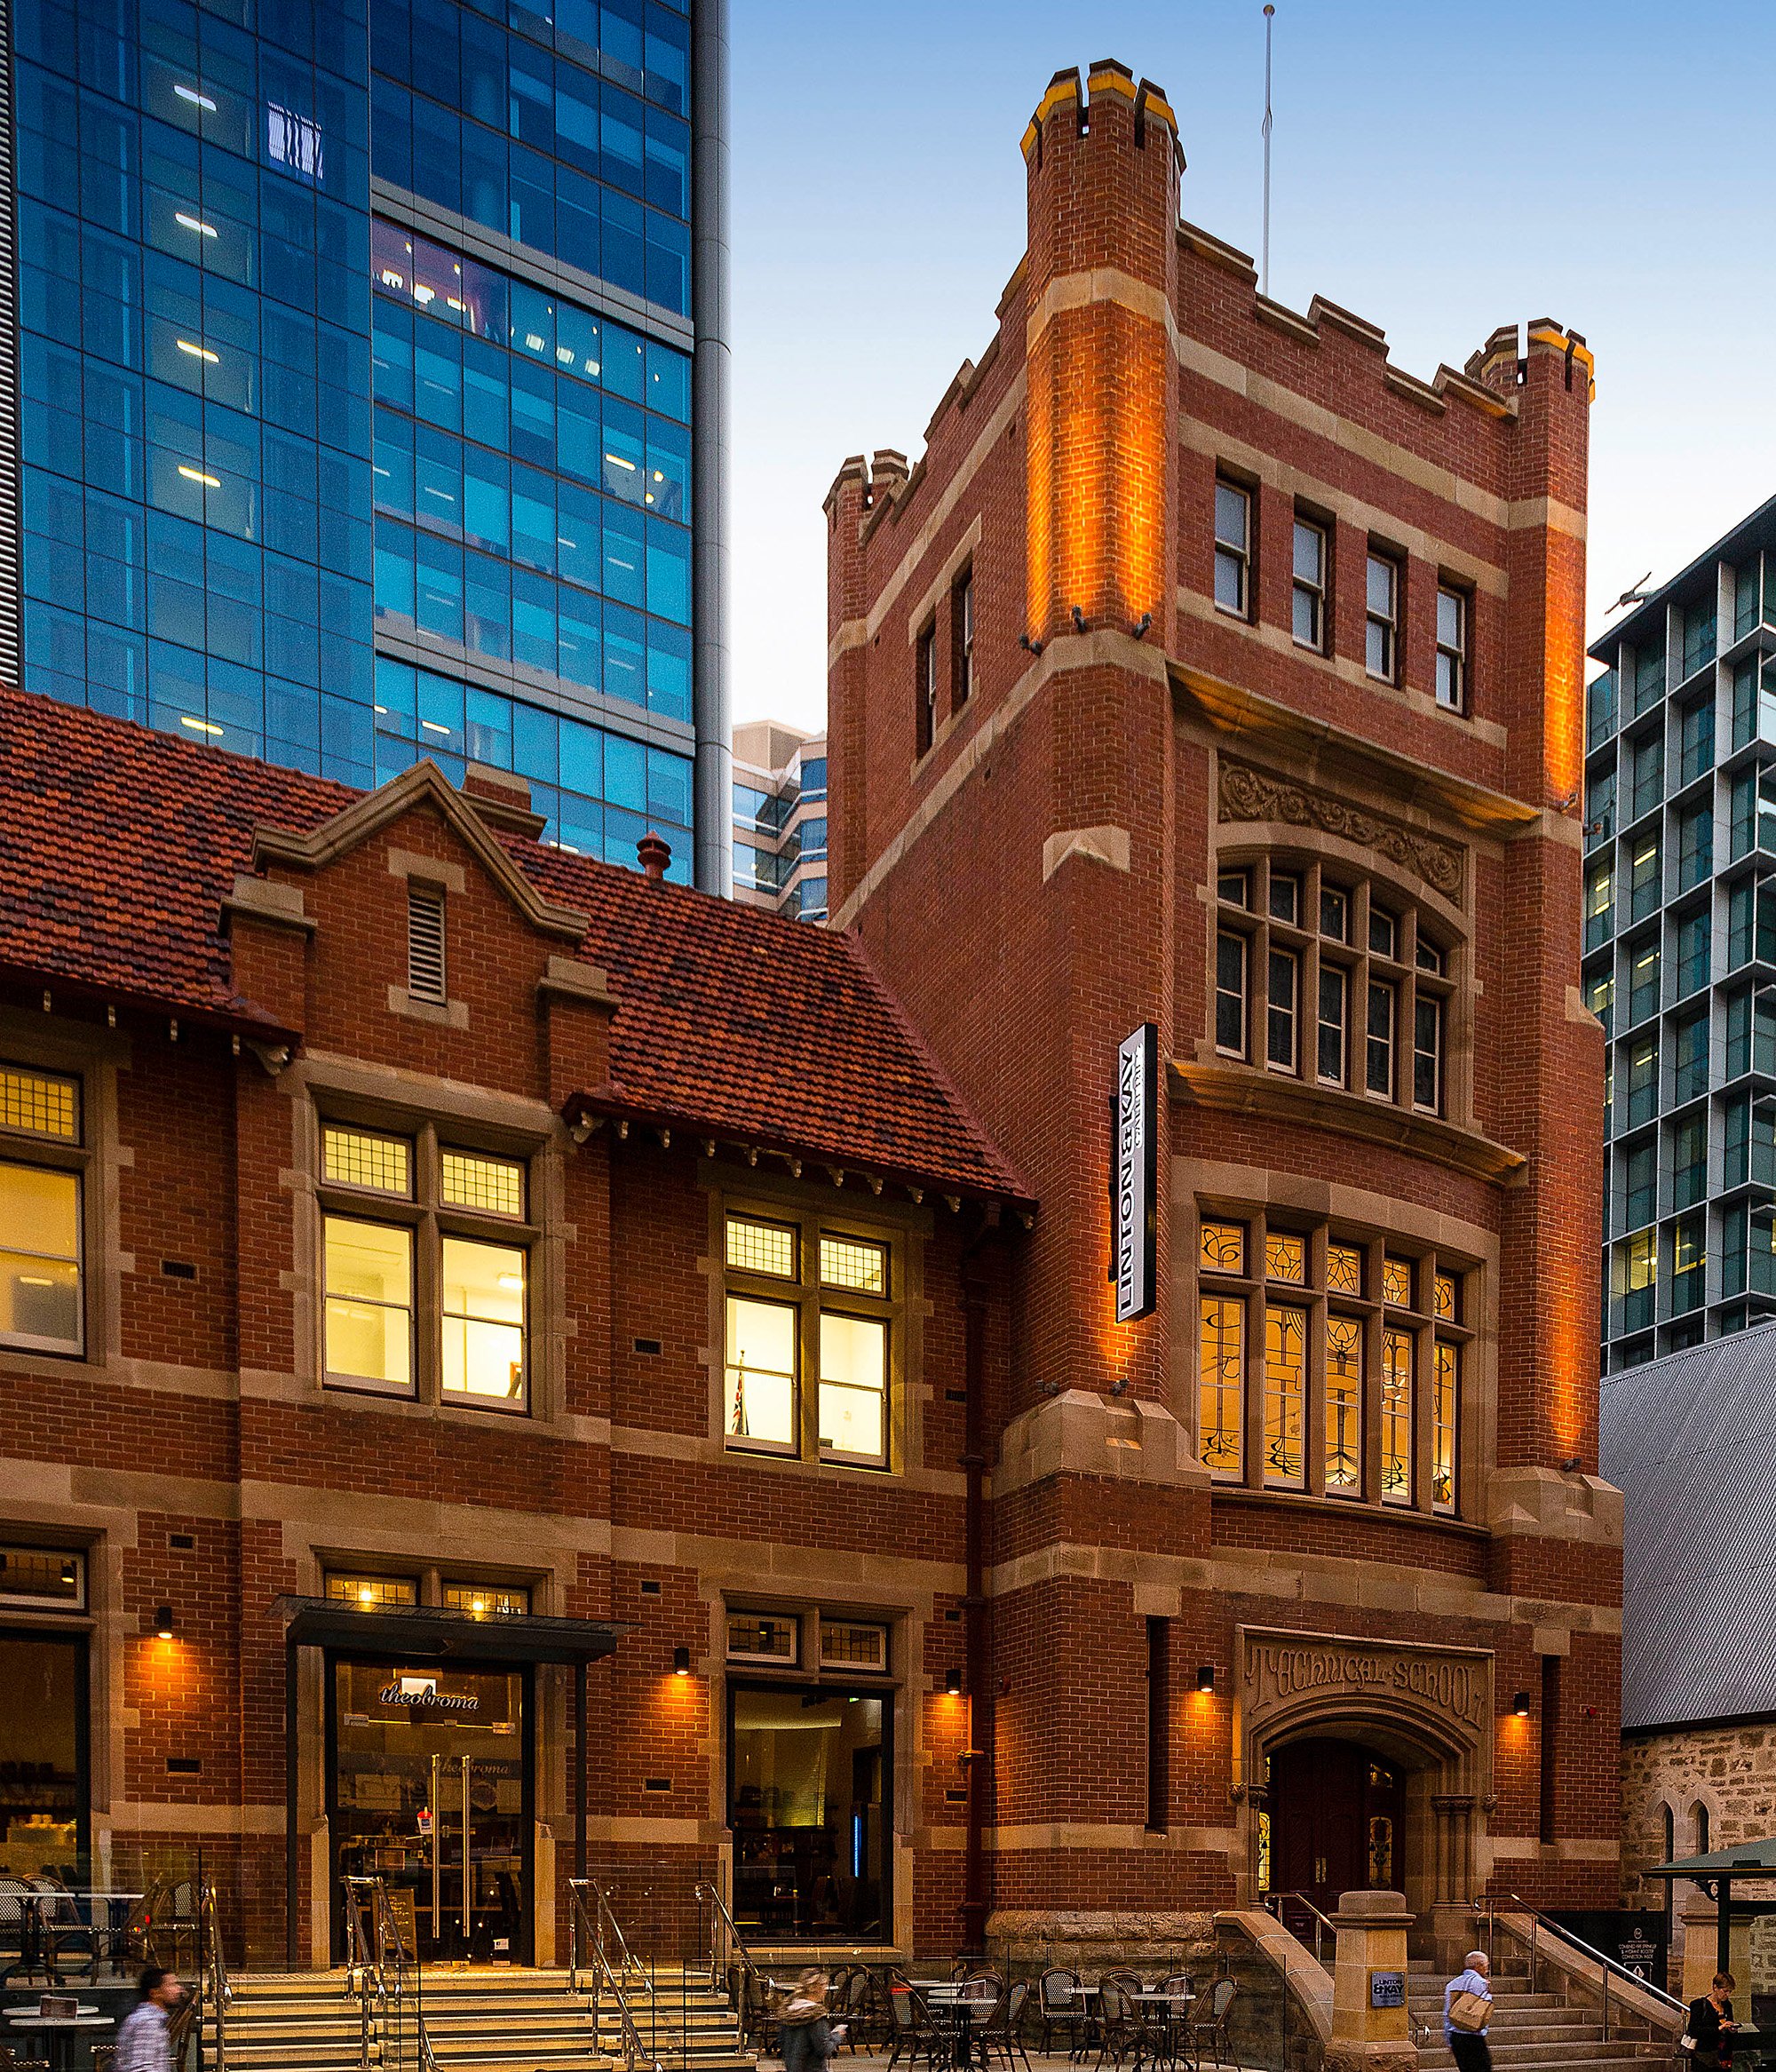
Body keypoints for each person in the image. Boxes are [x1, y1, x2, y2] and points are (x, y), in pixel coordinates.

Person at [115, 1966, 183, 2072]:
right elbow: (142, 2068)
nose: (179, 1989)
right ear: (155, 1993)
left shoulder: (152, 2019)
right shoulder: (148, 2022)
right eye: (171, 1985)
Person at [779, 1968, 844, 2072]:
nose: (826, 1990)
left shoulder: (789, 2012)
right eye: (824, 1986)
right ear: (815, 1988)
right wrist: (837, 2036)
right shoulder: (815, 2016)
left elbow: (781, 2042)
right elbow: (824, 2049)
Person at [1442, 1949, 1494, 2072]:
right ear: (1478, 1966)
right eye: (1486, 1966)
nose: (1487, 1970)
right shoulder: (1482, 1983)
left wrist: (1449, 2039)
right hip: (1474, 2036)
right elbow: (1483, 2011)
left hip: (1456, 2036)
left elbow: (1446, 2013)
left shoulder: (1452, 1984)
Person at [1685, 1970, 1738, 2070]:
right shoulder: (1699, 2005)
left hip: (1723, 2055)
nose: (1727, 1995)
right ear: (1715, 1987)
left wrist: (1732, 2029)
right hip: (1704, 2054)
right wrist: (1718, 2028)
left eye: (1730, 1991)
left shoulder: (1727, 2005)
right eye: (1725, 1991)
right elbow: (1694, 2029)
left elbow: (1729, 2025)